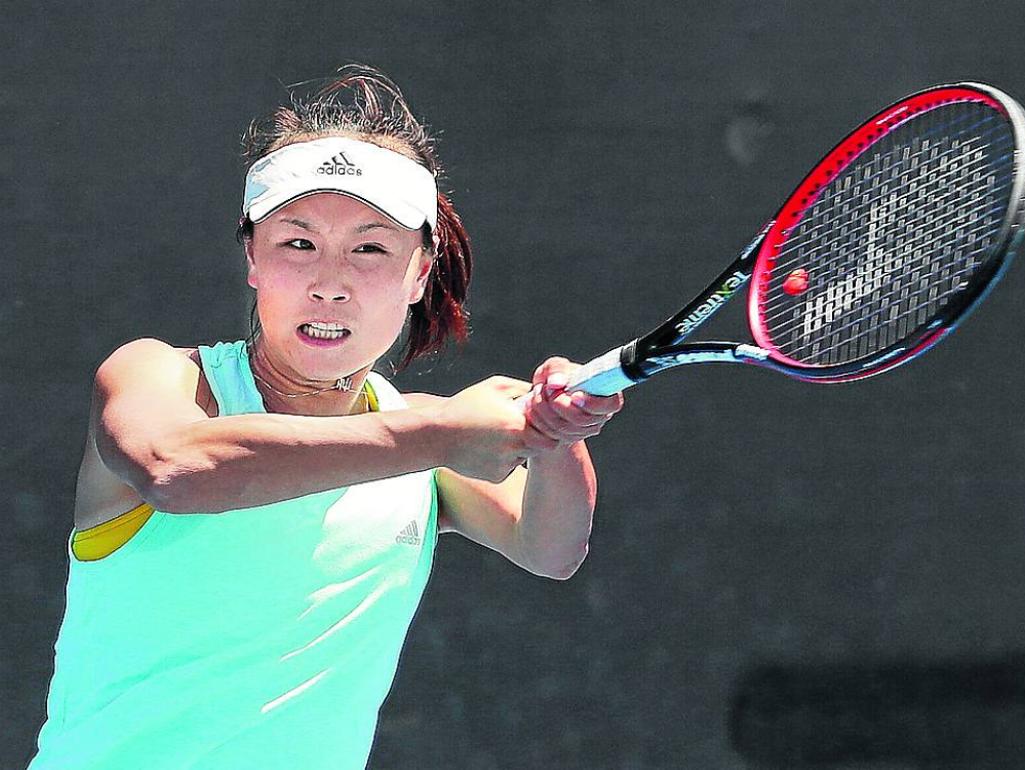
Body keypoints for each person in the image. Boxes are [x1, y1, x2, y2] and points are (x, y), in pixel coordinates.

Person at [27, 64, 623, 770]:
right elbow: (174, 468)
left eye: (370, 248)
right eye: (297, 242)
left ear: (419, 273)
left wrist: (554, 434)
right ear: (252, 255)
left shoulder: (421, 442)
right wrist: (439, 435)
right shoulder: (159, 378)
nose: (329, 283)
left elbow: (551, 550)